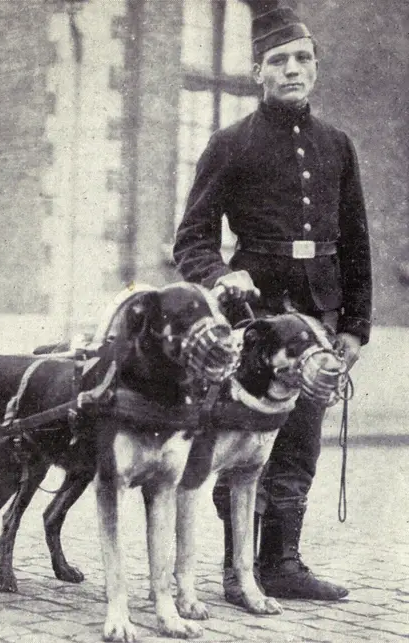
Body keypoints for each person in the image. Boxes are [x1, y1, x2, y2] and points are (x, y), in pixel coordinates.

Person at [173, 6, 371, 604]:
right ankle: (240, 573)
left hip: (319, 318)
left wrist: (355, 326)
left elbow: (357, 243)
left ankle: (282, 562)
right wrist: (223, 276)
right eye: (278, 61)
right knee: (242, 440)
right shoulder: (231, 144)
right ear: (258, 71)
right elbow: (192, 241)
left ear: (315, 68)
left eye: (302, 59)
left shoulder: (337, 145)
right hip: (253, 322)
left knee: (302, 436)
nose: (292, 70)